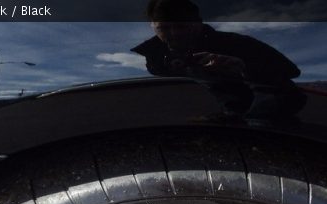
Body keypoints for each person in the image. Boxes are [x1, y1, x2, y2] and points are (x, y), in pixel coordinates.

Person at [131, 0, 306, 123]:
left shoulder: (235, 43)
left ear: (198, 23)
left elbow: (290, 72)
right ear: (152, 27)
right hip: (193, 123)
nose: (174, 33)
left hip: (257, 120)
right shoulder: (154, 56)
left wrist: (243, 68)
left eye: (182, 26)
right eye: (164, 28)